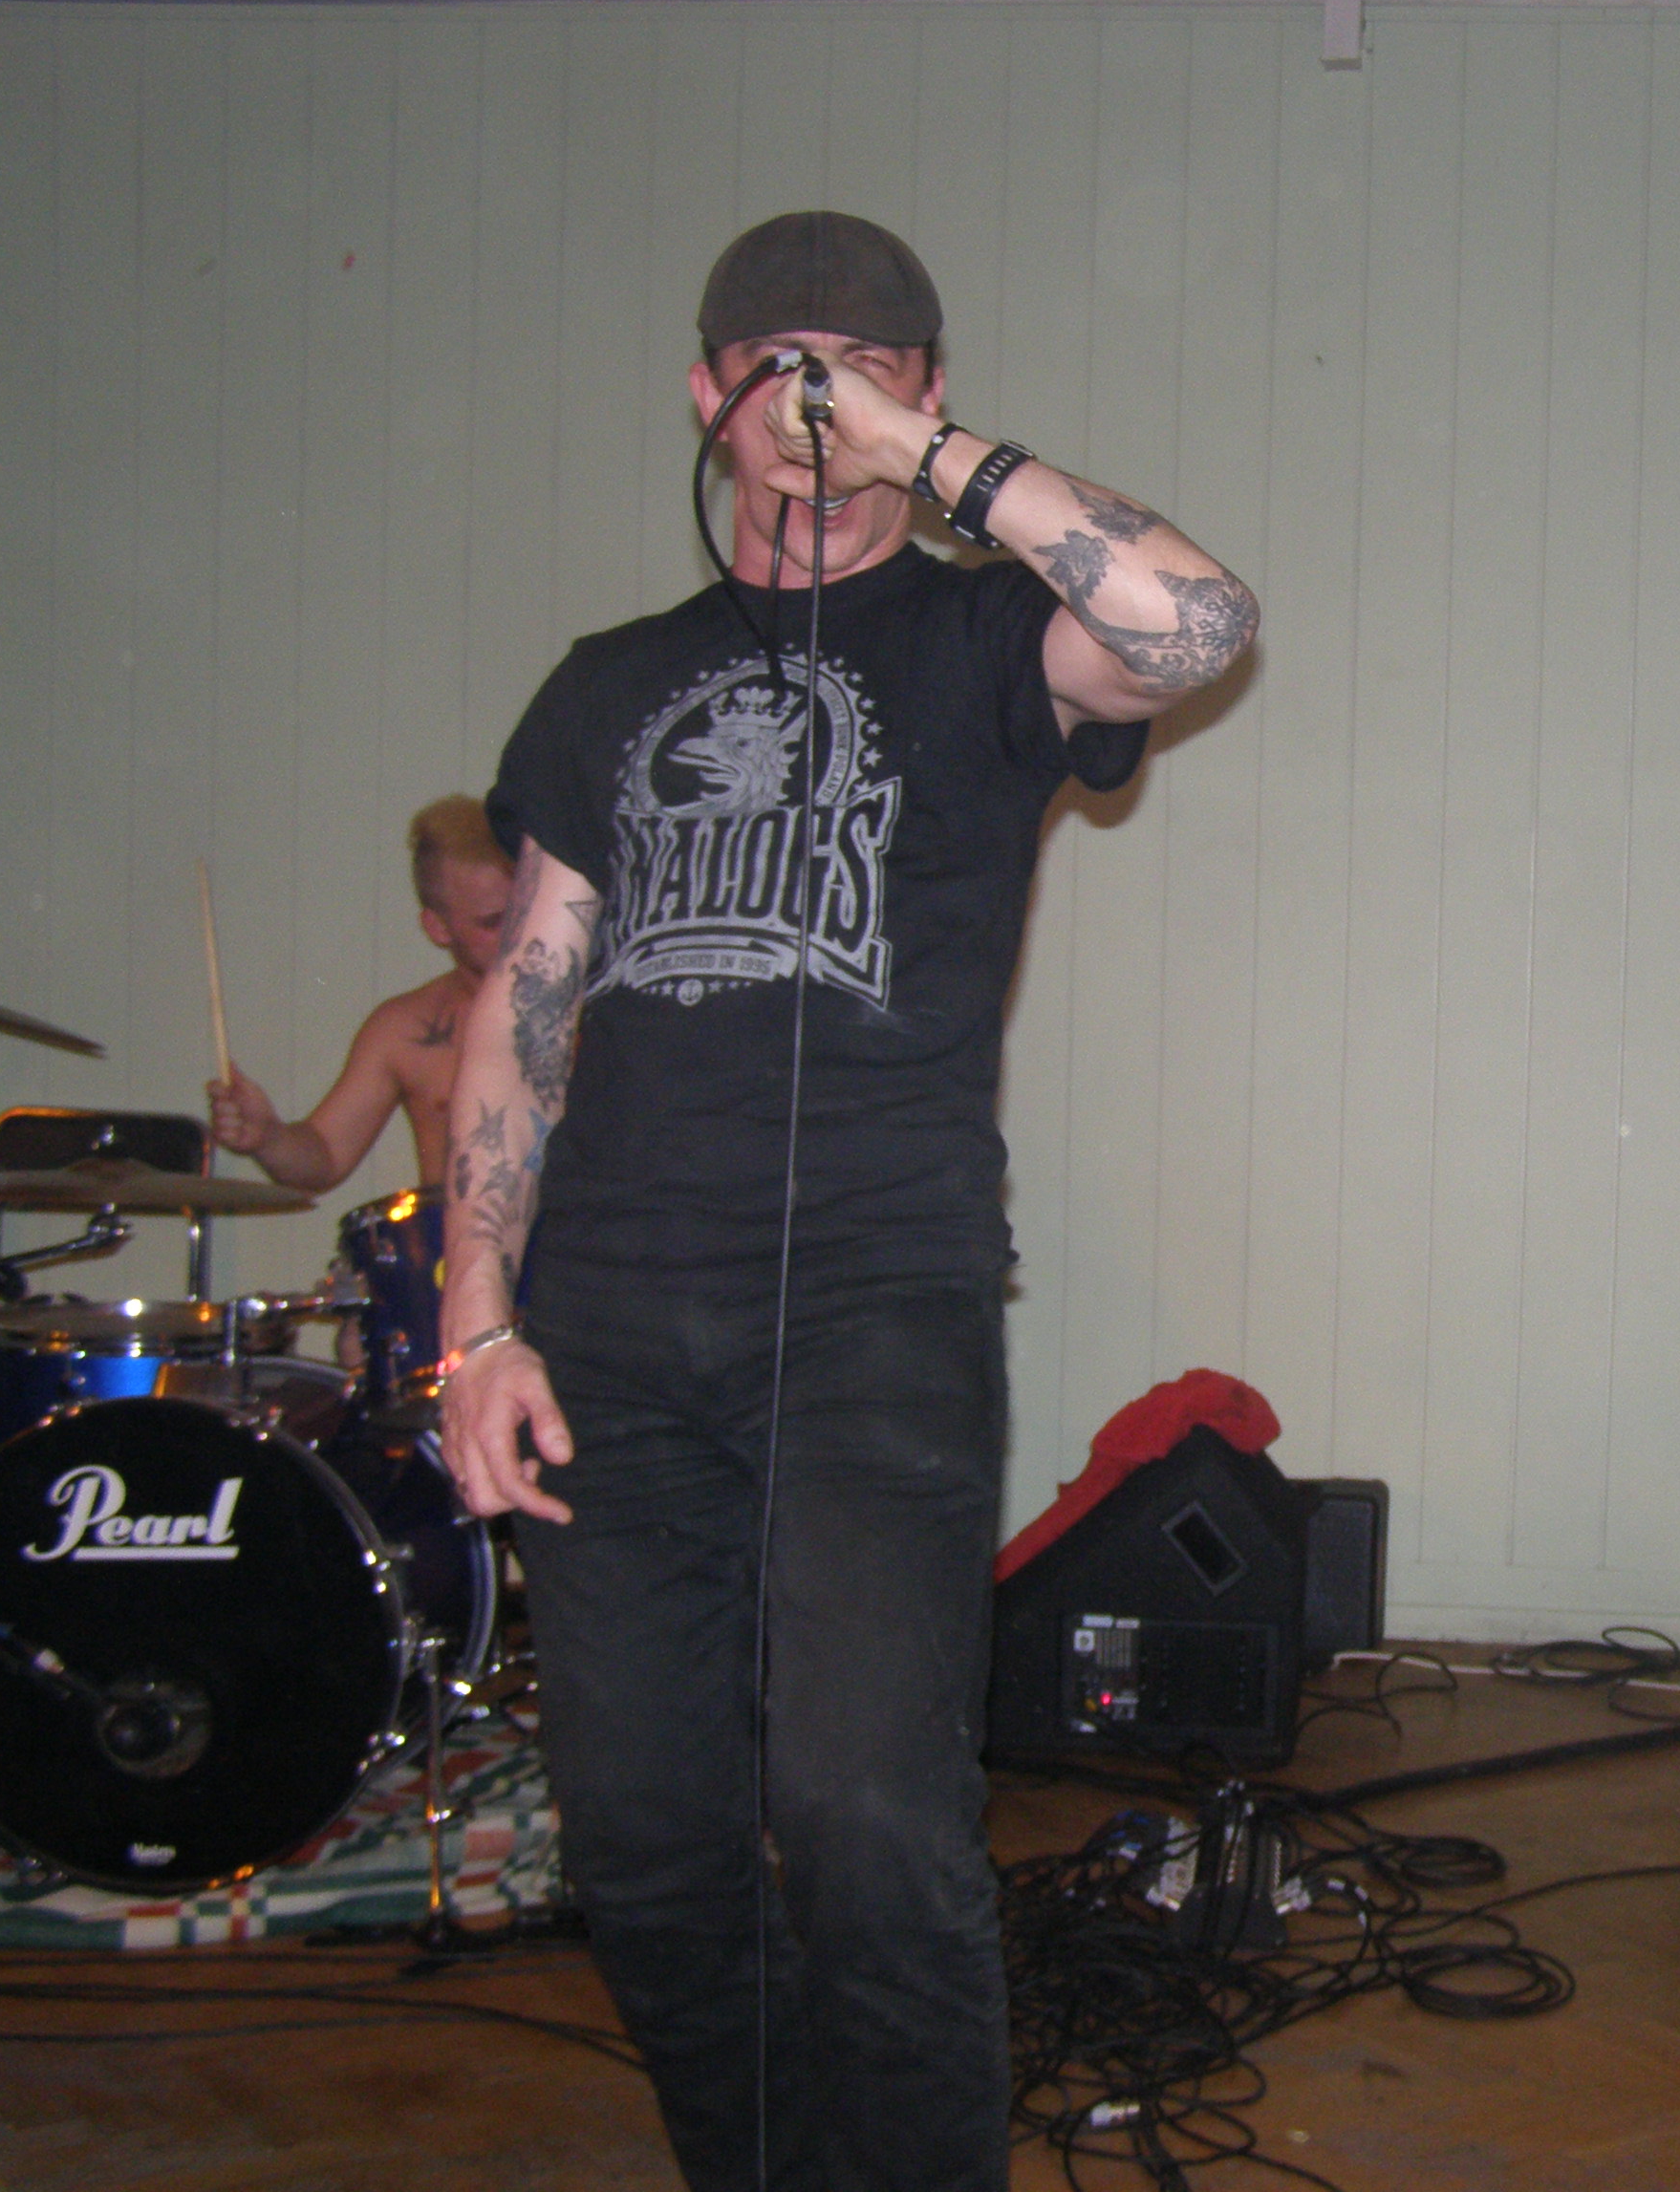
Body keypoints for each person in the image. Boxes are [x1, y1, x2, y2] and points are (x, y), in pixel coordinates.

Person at [436, 211, 1256, 2192]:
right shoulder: (608, 683)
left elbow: (1196, 620)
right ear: (702, 398)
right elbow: (522, 1007)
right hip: (609, 1323)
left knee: (867, 1811)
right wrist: (474, 1314)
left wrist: (924, 459)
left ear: (926, 388)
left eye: (863, 369)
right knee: (646, 1841)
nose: (811, 406)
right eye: (773, 370)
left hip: (874, 1309)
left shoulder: (982, 642)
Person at [205, 795, 513, 1193]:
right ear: (438, 928)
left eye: (525, 909)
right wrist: (268, 1137)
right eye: (492, 922)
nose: (517, 932)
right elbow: (327, 1155)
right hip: (457, 1232)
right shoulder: (404, 1028)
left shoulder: (589, 1011)